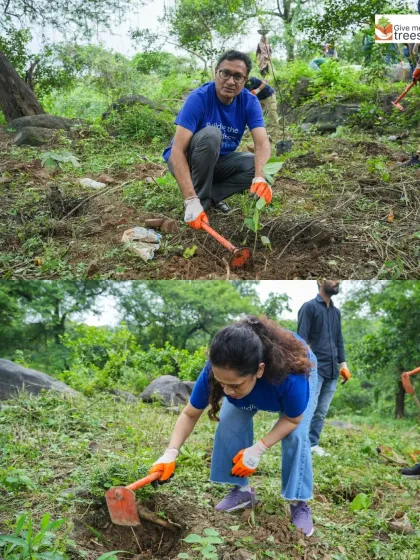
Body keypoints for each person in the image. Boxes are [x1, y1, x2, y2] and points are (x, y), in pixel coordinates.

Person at [148, 316, 319, 537]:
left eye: (234, 385)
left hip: (295, 367)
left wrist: (258, 449)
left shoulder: (292, 378)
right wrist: (170, 453)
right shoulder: (218, 369)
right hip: (250, 388)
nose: (227, 391)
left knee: (296, 435)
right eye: (222, 383)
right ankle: (242, 491)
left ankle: (298, 501)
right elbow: (190, 413)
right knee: (229, 420)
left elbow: (293, 419)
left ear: (259, 370)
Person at [162, 50, 272, 227]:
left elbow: (262, 143)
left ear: (245, 81)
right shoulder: (198, 98)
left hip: (218, 160)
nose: (230, 81)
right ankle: (198, 204)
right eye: (225, 73)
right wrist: (190, 199)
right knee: (212, 134)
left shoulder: (249, 102)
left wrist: (260, 177)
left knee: (260, 165)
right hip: (188, 160)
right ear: (216, 72)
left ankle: (211, 196)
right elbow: (176, 151)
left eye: (238, 77)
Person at [297, 280, 351, 457]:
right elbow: (301, 341)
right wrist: (306, 367)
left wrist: (343, 365)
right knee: (309, 408)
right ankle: (301, 444)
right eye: (332, 278)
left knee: (321, 412)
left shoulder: (336, 312)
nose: (337, 281)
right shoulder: (309, 308)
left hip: (333, 371)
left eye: (339, 279)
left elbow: (339, 341)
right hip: (315, 370)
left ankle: (313, 444)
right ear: (320, 281)